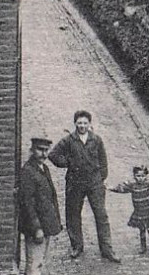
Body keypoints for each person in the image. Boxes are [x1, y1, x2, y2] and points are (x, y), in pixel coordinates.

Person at [48, 110, 121, 263]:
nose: (82, 126)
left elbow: (103, 159)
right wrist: (68, 163)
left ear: (89, 124)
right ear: (75, 124)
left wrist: (101, 178)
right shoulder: (68, 140)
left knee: (101, 215)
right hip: (75, 182)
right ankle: (77, 246)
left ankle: (107, 249)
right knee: (73, 214)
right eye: (79, 123)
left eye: (85, 123)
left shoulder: (96, 140)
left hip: (94, 182)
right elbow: (53, 155)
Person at [18, 136, 62, 275]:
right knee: (33, 262)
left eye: (46, 150)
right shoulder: (28, 172)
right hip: (36, 227)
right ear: (32, 150)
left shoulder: (43, 169)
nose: (43, 154)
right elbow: (27, 203)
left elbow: (50, 196)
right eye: (40, 150)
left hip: (46, 225)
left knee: (41, 260)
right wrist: (36, 228)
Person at [110, 166, 149, 257]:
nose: (141, 178)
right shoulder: (132, 185)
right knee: (141, 230)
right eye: (138, 176)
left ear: (146, 176)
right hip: (139, 212)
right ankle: (143, 246)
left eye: (143, 176)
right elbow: (122, 188)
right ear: (134, 176)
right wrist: (111, 188)